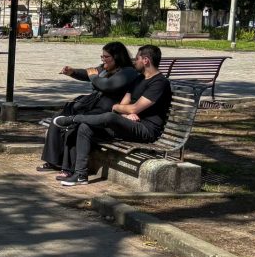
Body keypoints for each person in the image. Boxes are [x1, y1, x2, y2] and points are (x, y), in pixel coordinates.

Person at [52, 45, 173, 186]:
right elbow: (120, 106)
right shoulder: (138, 79)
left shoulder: (159, 83)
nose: (135, 61)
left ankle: (73, 119)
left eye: (138, 58)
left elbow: (134, 108)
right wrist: (125, 112)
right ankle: (80, 175)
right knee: (85, 127)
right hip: (127, 124)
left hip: (146, 129)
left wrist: (126, 111)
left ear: (146, 60)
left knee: (109, 117)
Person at [38, 41, 141, 177]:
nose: (103, 60)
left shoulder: (127, 72)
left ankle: (70, 168)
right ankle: (53, 160)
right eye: (102, 56)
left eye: (106, 57)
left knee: (75, 125)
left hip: (106, 109)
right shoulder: (105, 68)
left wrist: (93, 77)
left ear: (117, 57)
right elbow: (88, 73)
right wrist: (73, 72)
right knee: (59, 117)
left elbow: (107, 85)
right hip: (92, 104)